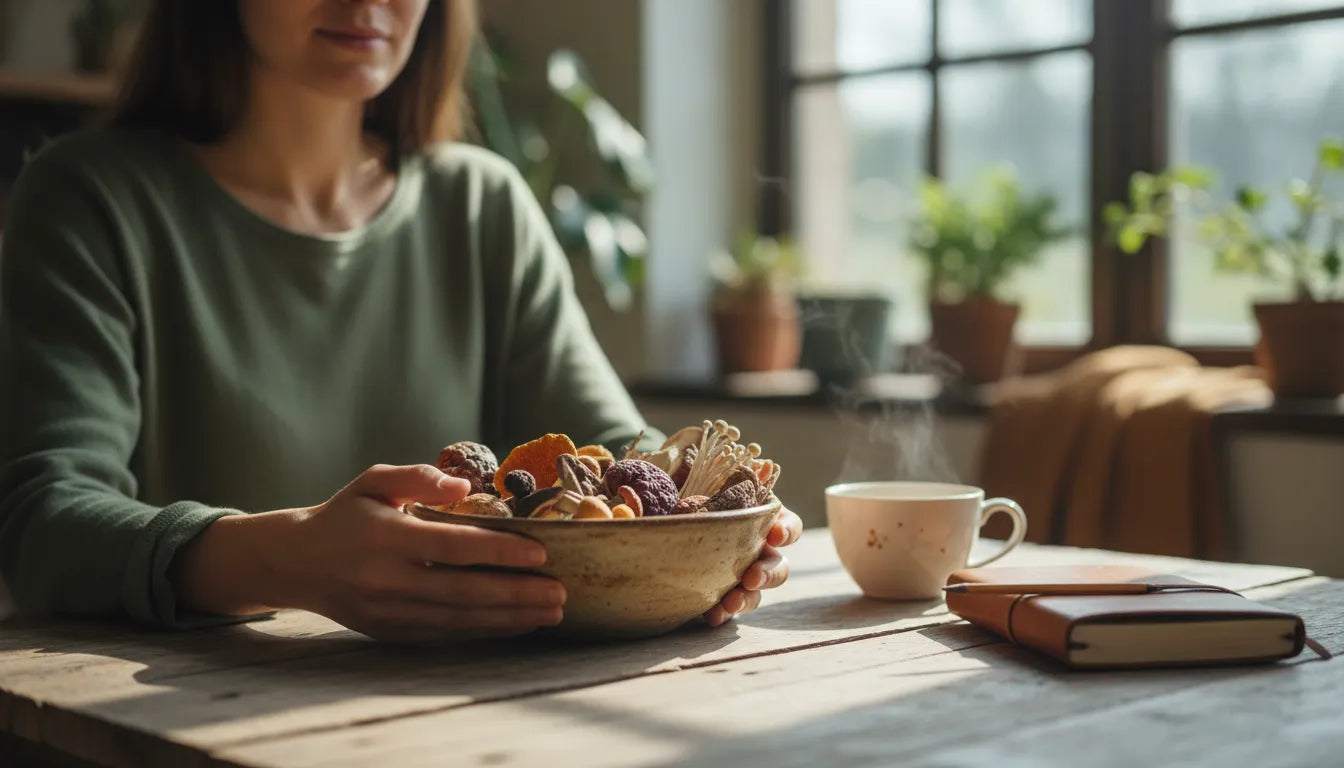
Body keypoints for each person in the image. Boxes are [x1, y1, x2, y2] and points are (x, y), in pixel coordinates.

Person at [0, 0, 800, 642]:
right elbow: (45, 522)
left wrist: (711, 528)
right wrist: (286, 561)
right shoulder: (87, 200)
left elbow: (620, 461)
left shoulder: (482, 204)